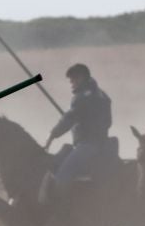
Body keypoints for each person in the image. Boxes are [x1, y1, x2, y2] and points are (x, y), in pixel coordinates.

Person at [41, 62, 115, 205]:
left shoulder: (83, 97)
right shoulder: (101, 95)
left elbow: (69, 119)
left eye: (73, 80)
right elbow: (108, 122)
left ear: (81, 78)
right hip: (99, 142)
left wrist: (52, 135)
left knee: (62, 175)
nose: (72, 84)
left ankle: (62, 212)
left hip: (88, 145)